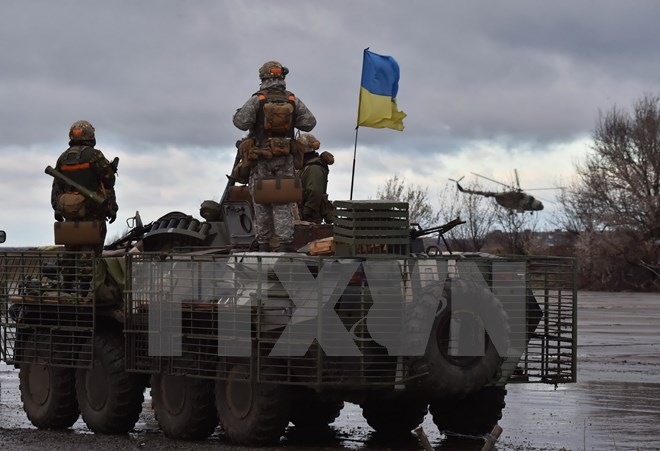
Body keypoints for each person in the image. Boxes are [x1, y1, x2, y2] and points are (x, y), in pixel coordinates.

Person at [233, 60, 316, 252]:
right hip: (285, 158)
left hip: (260, 157)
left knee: (261, 200)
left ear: (263, 77)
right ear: (282, 78)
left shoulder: (258, 99)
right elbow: (310, 123)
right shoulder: (292, 100)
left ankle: (263, 244)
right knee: (283, 200)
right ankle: (286, 245)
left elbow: (240, 122)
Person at [51, 119, 118, 255]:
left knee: (71, 253)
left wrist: (57, 209)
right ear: (90, 136)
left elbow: (56, 186)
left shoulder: (63, 158)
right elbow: (109, 181)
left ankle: (69, 276)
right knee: (92, 256)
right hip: (94, 212)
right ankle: (89, 276)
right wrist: (112, 208)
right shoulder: (94, 155)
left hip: (70, 213)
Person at [296, 133, 334, 224]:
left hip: (311, 217)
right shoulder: (306, 166)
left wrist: (307, 211)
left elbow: (315, 191)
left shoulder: (314, 168)